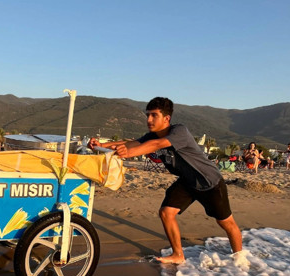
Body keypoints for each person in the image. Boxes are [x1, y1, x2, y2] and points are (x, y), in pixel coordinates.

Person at [88, 97, 243, 265]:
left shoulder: (179, 131)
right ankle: (178, 254)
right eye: (147, 115)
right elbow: (132, 143)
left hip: (208, 181)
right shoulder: (151, 135)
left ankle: (240, 260)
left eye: (154, 115)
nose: (149, 119)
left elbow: (157, 144)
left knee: (226, 222)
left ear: (166, 118)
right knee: (166, 213)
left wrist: (130, 153)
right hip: (187, 181)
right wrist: (102, 144)